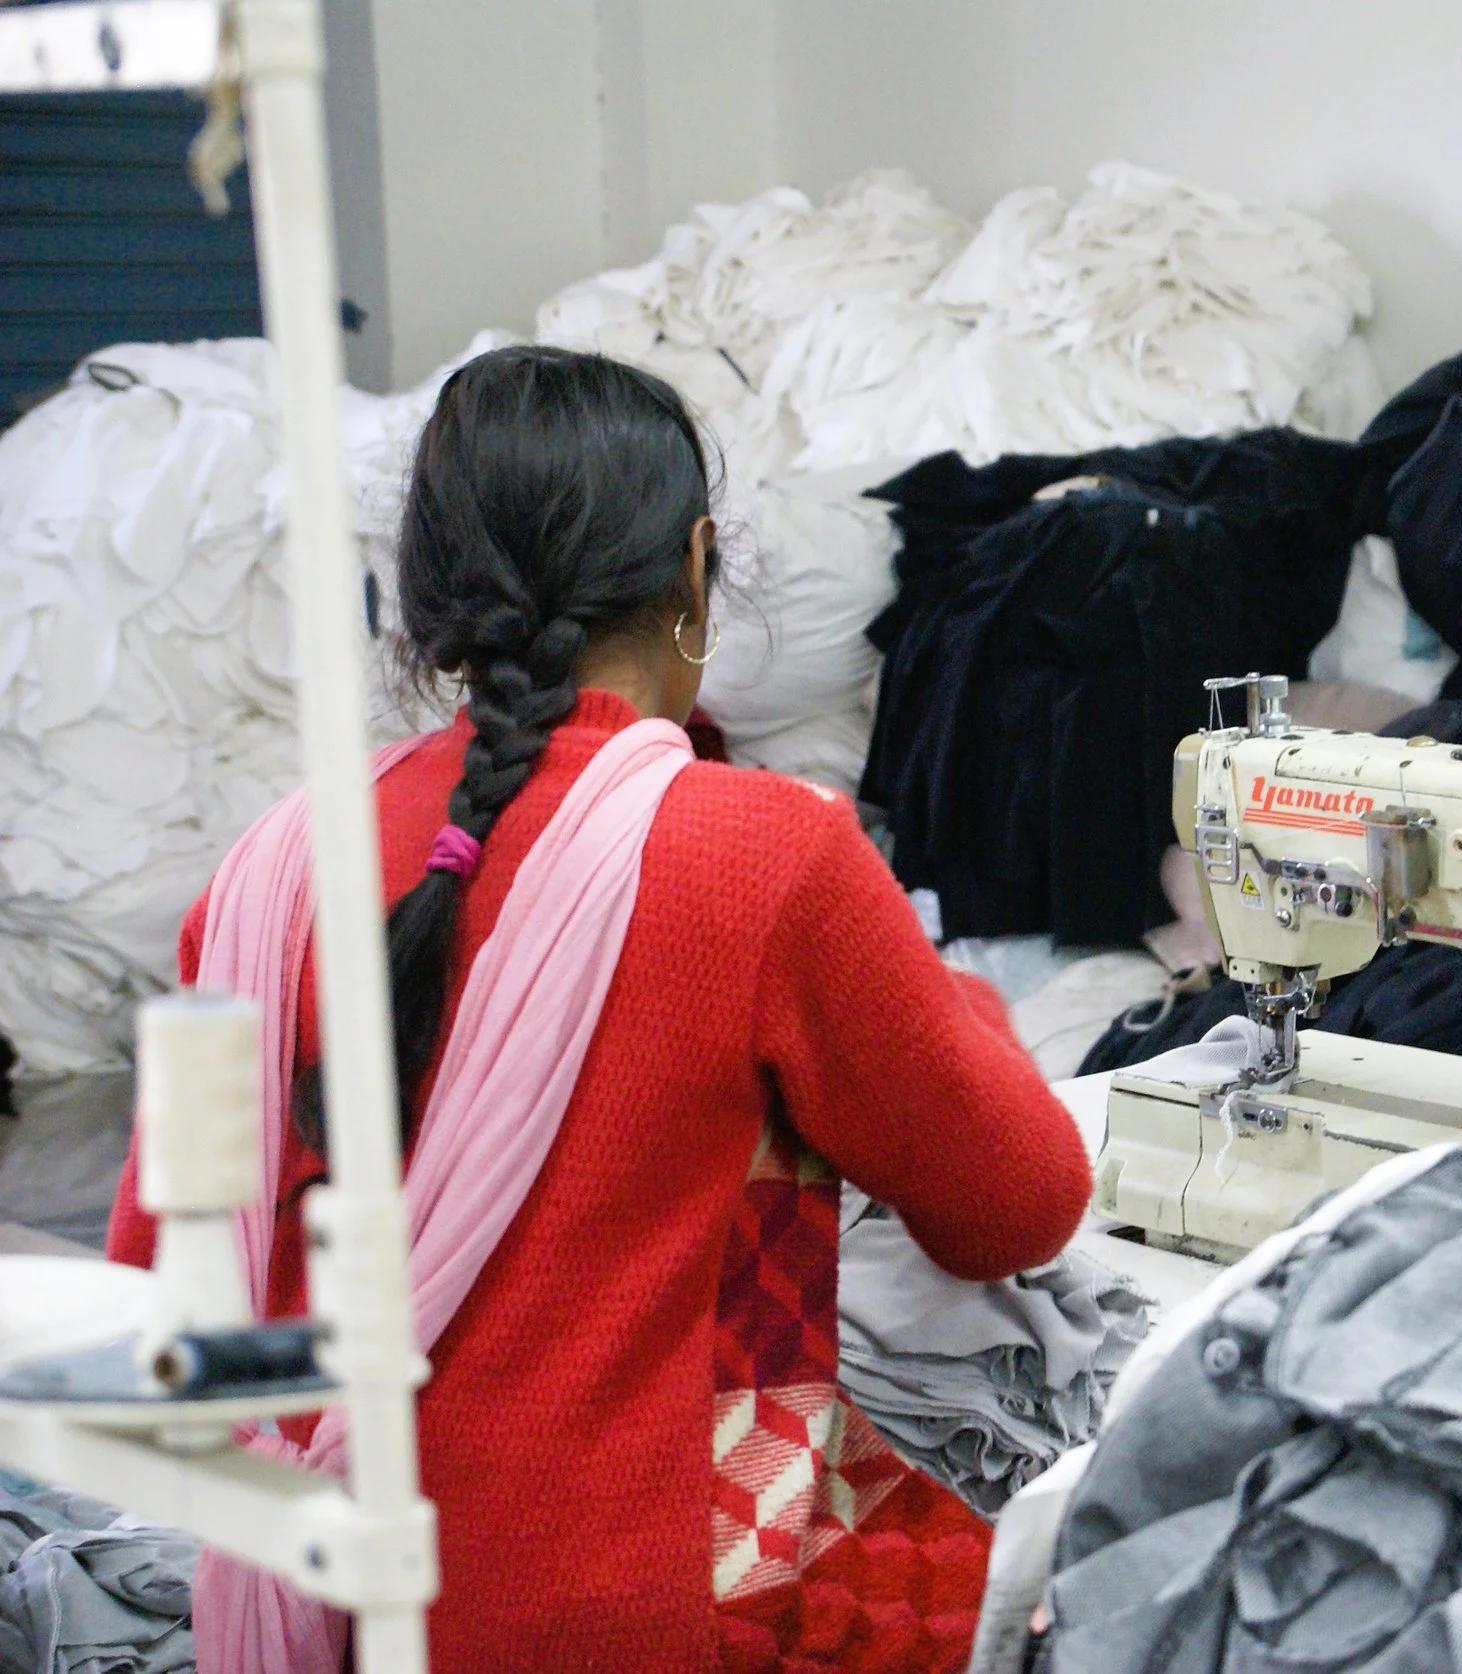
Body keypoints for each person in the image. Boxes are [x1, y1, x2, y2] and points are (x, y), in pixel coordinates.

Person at [104, 345, 1095, 1673]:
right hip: (655, 1622)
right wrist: (952, 998)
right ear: (694, 573)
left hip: (318, 1602)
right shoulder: (761, 855)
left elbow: (151, 1299)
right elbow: (1016, 1204)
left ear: (429, 595)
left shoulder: (261, 876)